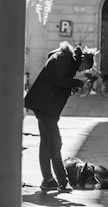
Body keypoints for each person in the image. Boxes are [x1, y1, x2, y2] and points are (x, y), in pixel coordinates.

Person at [24, 41, 83, 192]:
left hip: (44, 105)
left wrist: (72, 86)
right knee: (56, 143)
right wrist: (77, 82)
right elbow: (61, 80)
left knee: (46, 143)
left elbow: (57, 83)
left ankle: (48, 180)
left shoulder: (62, 58)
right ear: (80, 61)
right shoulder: (64, 59)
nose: (79, 71)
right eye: (82, 68)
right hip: (45, 106)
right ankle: (62, 182)